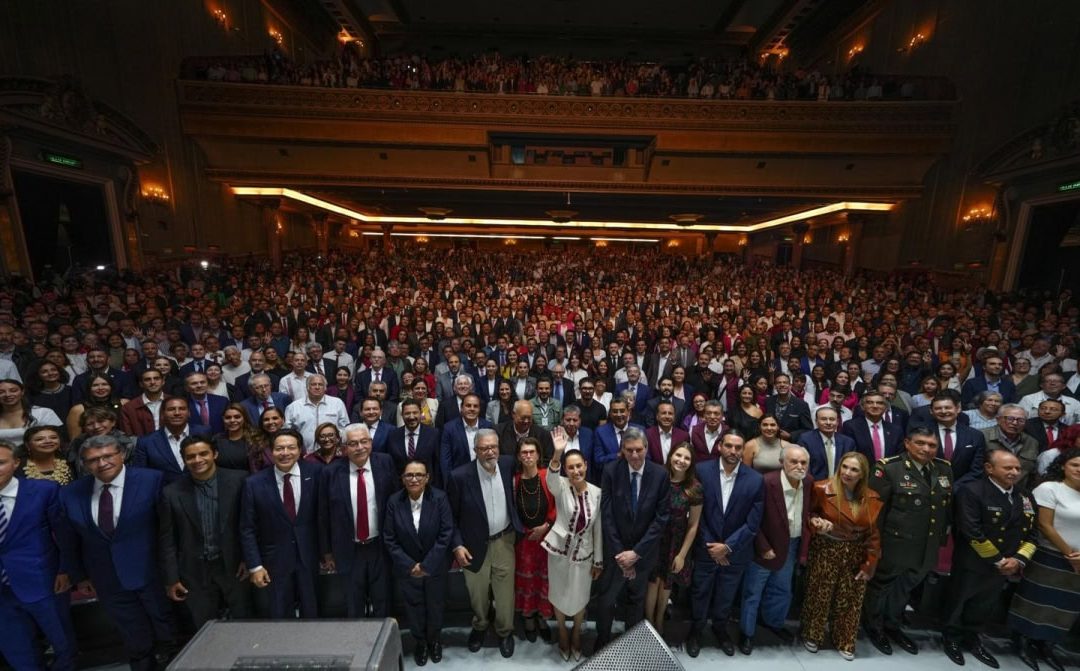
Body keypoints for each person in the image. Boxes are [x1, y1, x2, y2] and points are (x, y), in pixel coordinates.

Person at [57, 434, 174, 670]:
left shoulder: (152, 480)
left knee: (166, 625)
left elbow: (168, 530)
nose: (102, 463)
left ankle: (174, 659)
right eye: (93, 460)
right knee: (131, 631)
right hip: (107, 577)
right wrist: (78, 576)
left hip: (152, 572)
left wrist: (173, 571)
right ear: (84, 464)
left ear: (121, 455)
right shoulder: (71, 493)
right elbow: (69, 540)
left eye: (108, 456)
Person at [943, 449, 1037, 668]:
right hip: (974, 562)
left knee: (984, 605)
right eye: (1008, 468)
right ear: (989, 468)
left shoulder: (1024, 496)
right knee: (959, 601)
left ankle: (972, 637)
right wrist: (999, 560)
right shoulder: (972, 491)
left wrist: (1019, 560)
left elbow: (1033, 533)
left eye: (1017, 468)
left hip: (1006, 566)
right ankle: (950, 638)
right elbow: (971, 530)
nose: (1014, 472)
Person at [862, 427, 952, 656]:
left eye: (932, 445)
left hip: (925, 546)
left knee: (905, 588)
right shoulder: (889, 468)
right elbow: (875, 512)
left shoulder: (943, 469)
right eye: (920, 443)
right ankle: (873, 626)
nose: (926, 449)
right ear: (907, 443)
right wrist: (874, 545)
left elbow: (943, 509)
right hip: (894, 544)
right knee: (881, 587)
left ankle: (893, 625)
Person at [158, 436, 252, 629]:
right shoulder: (171, 492)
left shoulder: (240, 480)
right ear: (184, 460)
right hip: (194, 571)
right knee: (205, 625)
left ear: (215, 454)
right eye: (190, 456)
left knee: (245, 620)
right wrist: (171, 578)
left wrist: (248, 559)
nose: (197, 460)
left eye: (203, 454)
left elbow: (250, 524)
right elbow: (167, 539)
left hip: (234, 566)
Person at [0, 438, 78, 671]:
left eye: (1, 462)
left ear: (16, 463)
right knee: (16, 649)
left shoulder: (44, 490)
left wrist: (65, 569)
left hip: (44, 581)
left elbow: (65, 535)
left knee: (63, 643)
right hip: (3, 594)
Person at [686, 430, 764, 658]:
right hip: (705, 548)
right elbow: (694, 515)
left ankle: (720, 630)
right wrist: (713, 546)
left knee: (726, 594)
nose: (733, 451)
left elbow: (753, 522)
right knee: (700, 592)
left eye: (738, 447)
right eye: (729, 446)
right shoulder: (701, 471)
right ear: (720, 446)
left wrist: (727, 547)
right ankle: (696, 630)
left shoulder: (755, 479)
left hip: (736, 552)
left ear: (743, 450)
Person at [447, 428, 522, 658]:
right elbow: (450, 516)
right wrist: (457, 545)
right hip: (472, 546)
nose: (490, 452)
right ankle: (480, 624)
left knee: (505, 592)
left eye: (494, 447)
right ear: (475, 450)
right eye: (484, 448)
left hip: (504, 540)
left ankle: (504, 631)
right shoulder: (459, 476)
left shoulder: (508, 464)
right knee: (477, 593)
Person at [800, 451, 882, 661]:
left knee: (852, 597)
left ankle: (845, 638)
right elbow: (810, 514)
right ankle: (813, 634)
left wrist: (870, 563)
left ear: (863, 473)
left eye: (854, 469)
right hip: (827, 547)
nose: (847, 472)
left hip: (856, 550)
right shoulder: (821, 488)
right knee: (820, 593)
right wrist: (816, 523)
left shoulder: (872, 497)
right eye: (844, 467)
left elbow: (873, 534)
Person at [595, 427, 671, 651]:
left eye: (639, 450)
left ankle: (630, 642)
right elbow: (606, 515)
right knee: (607, 600)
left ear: (646, 448)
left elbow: (661, 517)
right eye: (629, 450)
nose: (635, 455)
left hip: (644, 554)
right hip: (615, 553)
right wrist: (622, 555)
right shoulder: (611, 471)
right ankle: (603, 639)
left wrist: (636, 553)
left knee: (637, 600)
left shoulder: (660, 475)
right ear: (622, 451)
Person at [1007, 447, 1080, 671]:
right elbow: (1044, 525)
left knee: (1065, 606)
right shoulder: (1050, 488)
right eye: (1075, 465)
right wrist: (1069, 553)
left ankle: (1046, 644)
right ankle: (1024, 642)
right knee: (1036, 600)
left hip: (1078, 562)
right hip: (1050, 555)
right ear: (1063, 467)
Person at [240, 428, 323, 618]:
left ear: (300, 449)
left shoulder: (317, 473)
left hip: (310, 557)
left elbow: (324, 516)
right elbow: (247, 529)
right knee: (279, 615)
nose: (285, 453)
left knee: (313, 614)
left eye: (290, 448)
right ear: (271, 451)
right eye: (279, 448)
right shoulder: (254, 483)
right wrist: (255, 565)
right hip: (274, 561)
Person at [319, 424, 398, 617]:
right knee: (353, 602)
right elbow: (323, 514)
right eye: (353, 443)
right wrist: (327, 552)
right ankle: (358, 642)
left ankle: (383, 642)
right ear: (344, 447)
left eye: (364, 441)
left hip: (380, 546)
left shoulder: (385, 463)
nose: (360, 447)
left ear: (371, 442)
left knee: (383, 599)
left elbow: (397, 504)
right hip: (348, 548)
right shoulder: (331, 472)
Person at [738, 444, 811, 650]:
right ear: (781, 463)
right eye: (794, 461)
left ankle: (774, 623)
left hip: (792, 545)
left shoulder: (809, 482)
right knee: (753, 592)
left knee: (782, 590)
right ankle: (747, 633)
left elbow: (809, 512)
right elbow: (752, 519)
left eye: (804, 462)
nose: (799, 466)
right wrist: (763, 546)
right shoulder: (765, 482)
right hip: (765, 547)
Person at [383, 460, 454, 667]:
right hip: (407, 568)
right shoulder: (394, 502)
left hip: (435, 566)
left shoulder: (439, 498)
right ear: (402, 478)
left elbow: (446, 533)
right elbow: (389, 538)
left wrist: (426, 565)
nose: (414, 479)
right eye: (409, 475)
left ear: (427, 478)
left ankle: (435, 640)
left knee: (435, 604)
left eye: (419, 475)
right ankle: (420, 642)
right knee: (413, 606)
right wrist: (410, 565)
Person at [545, 426, 604, 661]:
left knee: (580, 597)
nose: (576, 470)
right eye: (571, 467)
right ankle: (562, 631)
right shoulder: (560, 486)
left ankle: (577, 635)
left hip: (585, 554)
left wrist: (598, 560)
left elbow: (597, 528)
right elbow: (550, 479)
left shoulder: (598, 492)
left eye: (579, 466)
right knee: (558, 593)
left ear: (586, 466)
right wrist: (558, 454)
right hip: (559, 552)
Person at [645, 443, 702, 637]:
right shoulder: (657, 478)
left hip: (676, 543)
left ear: (691, 462)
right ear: (670, 456)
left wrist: (682, 554)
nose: (681, 461)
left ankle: (659, 618)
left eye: (687, 458)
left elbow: (693, 525)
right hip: (654, 540)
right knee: (653, 581)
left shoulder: (694, 488)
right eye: (678, 455)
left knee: (667, 583)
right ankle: (648, 620)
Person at [513, 436, 556, 642]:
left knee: (543, 581)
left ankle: (542, 617)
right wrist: (524, 530)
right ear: (519, 457)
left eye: (532, 452)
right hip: (523, 541)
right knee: (526, 581)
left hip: (546, 540)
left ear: (538, 455)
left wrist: (546, 525)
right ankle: (528, 616)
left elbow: (558, 504)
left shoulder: (547, 476)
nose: (528, 456)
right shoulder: (514, 480)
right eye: (524, 453)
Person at [133, 397, 213, 484]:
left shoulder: (204, 432)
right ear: (162, 415)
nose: (177, 413)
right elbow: (141, 475)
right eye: (171, 409)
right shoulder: (146, 442)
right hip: (163, 494)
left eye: (182, 409)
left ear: (189, 413)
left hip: (203, 489)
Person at [284, 375, 349, 453]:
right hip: (305, 454)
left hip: (333, 454)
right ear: (307, 387)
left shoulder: (337, 403)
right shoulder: (293, 407)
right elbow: (287, 432)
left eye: (320, 384)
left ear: (325, 388)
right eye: (313, 384)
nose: (317, 387)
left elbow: (345, 428)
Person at [983, 404, 1039, 494]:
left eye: (1021, 420)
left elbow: (1032, 474)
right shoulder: (981, 436)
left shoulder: (1032, 442)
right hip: (987, 491)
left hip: (1018, 493)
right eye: (1010, 419)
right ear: (998, 419)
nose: (1015, 423)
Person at [842, 390, 903, 463]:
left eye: (879, 403)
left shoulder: (896, 430)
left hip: (888, 472)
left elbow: (899, 457)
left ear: (885, 407)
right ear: (862, 406)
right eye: (870, 402)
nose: (875, 406)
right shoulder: (851, 426)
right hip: (861, 472)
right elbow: (849, 454)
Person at [0, 379, 63, 448]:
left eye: (13, 391)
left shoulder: (43, 412)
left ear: (22, 392)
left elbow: (57, 439)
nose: (7, 394)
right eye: (1, 392)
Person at [800, 406, 856, 480]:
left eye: (832, 419)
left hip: (841, 486)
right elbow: (804, 467)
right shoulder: (806, 440)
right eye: (824, 419)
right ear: (816, 421)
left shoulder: (848, 442)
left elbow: (851, 467)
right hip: (814, 486)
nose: (828, 423)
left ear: (837, 422)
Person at [765, 373, 813, 442]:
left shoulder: (801, 405)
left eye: (785, 382)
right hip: (770, 441)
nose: (782, 385)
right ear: (775, 386)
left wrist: (791, 436)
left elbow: (808, 429)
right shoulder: (769, 401)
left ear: (790, 386)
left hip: (791, 444)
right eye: (779, 383)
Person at [119, 368, 166, 437]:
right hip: (140, 446)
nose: (152, 382)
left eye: (156, 378)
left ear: (163, 381)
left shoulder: (175, 402)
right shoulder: (129, 408)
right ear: (141, 384)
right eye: (147, 379)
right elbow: (128, 437)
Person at [213, 403, 260, 470]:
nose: (232, 420)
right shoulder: (216, 439)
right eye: (228, 417)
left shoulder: (255, 438)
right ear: (223, 419)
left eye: (237, 417)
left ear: (244, 418)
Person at [645, 399, 690, 465]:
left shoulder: (684, 436)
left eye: (670, 413)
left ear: (674, 417)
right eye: (663, 413)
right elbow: (646, 459)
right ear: (657, 416)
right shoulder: (647, 434)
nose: (667, 416)